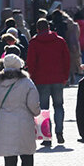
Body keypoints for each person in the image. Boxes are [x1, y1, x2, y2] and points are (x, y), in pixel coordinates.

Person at [0, 53, 40, 166]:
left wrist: (4, 115)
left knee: (9, 160)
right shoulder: (27, 83)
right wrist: (36, 113)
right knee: (27, 156)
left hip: (4, 123)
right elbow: (34, 106)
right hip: (24, 123)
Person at [26, 18, 70, 147]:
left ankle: (46, 136)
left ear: (38, 29)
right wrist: (65, 76)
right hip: (58, 78)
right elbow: (66, 60)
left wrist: (31, 77)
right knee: (59, 106)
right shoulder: (60, 41)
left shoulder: (34, 42)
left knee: (43, 109)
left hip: (41, 80)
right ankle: (59, 131)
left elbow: (31, 62)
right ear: (49, 27)